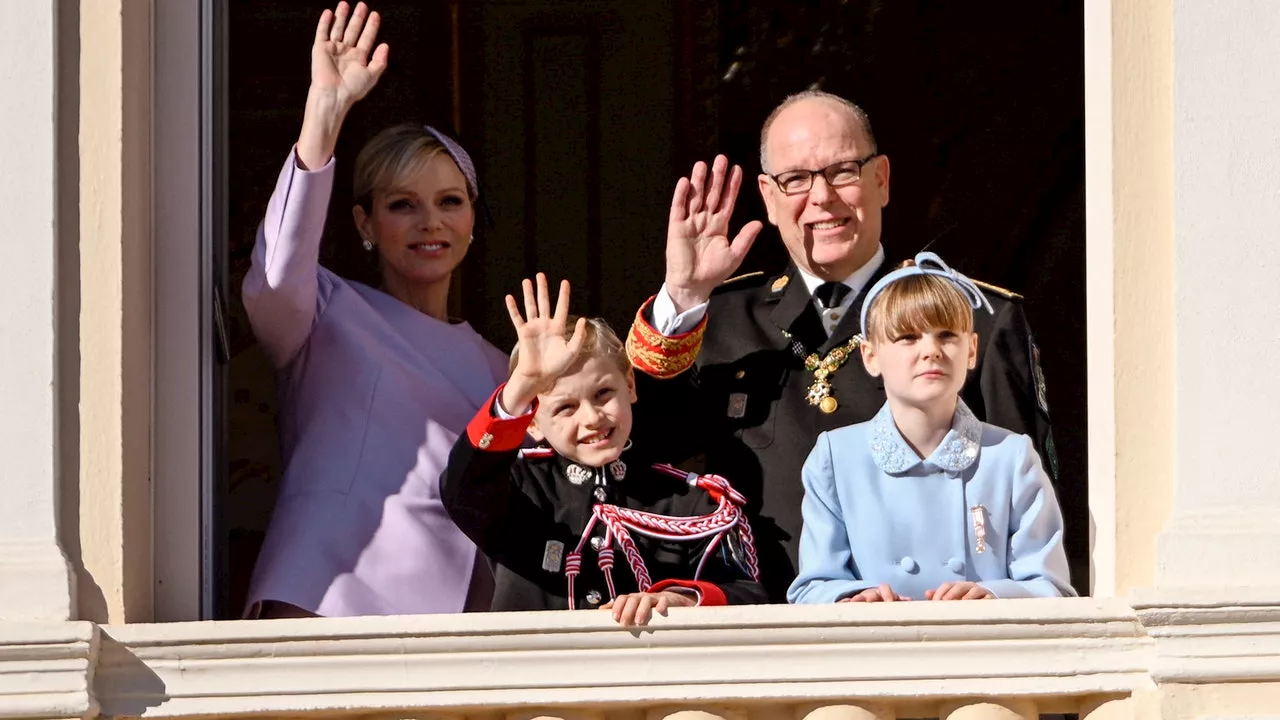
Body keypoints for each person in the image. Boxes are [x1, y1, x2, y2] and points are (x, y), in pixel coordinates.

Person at [625, 90, 1057, 601]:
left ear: (881, 180)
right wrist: (682, 294)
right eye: (796, 180)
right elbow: (638, 459)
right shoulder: (714, 320)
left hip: (923, 634)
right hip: (752, 631)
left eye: (843, 171)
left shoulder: (974, 315)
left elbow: (1030, 509)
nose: (822, 197)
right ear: (768, 195)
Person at [242, 2, 507, 618]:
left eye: (449, 201)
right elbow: (276, 274)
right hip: (326, 592)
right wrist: (324, 113)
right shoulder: (321, 312)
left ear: (471, 222)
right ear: (364, 222)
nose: (430, 221)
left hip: (453, 619)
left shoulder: (504, 367)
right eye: (402, 205)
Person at [441, 274, 766, 626]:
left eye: (603, 394)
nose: (592, 417)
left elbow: (747, 594)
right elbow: (461, 489)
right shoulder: (517, 485)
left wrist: (678, 597)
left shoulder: (689, 500)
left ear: (629, 385)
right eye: (565, 407)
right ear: (532, 421)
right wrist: (518, 390)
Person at [787, 253, 1073, 604]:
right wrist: (852, 600)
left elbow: (1051, 586)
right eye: (907, 337)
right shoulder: (836, 457)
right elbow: (813, 586)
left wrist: (993, 596)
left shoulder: (1010, 457)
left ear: (972, 350)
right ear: (870, 355)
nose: (931, 351)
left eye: (947, 335)